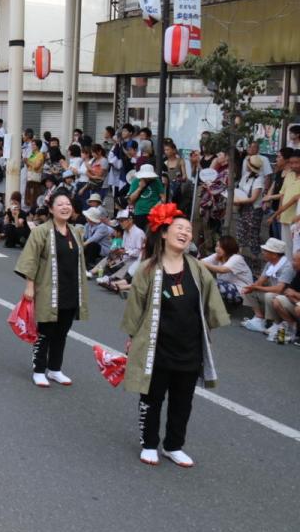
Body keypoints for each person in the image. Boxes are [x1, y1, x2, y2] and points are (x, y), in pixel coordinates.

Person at [119, 203, 229, 468]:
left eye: (189, 230)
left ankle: (173, 445)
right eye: (179, 228)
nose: (185, 233)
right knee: (152, 398)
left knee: (183, 401)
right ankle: (149, 443)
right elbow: (135, 307)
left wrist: (207, 334)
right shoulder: (147, 268)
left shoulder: (198, 268)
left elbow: (209, 305)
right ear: (164, 233)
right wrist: (132, 337)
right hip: (156, 347)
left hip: (189, 347)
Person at [16, 191, 89, 388]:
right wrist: (29, 285)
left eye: (68, 204)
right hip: (48, 288)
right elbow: (30, 259)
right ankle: (39, 369)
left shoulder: (76, 232)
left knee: (62, 331)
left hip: (71, 289)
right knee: (46, 331)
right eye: (60, 204)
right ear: (50, 209)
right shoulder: (41, 232)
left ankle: (55, 369)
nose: (65, 207)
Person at [240, 238, 294, 334]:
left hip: (284, 296)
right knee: (248, 289)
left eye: (266, 251)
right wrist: (251, 287)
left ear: (274, 254)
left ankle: (276, 323)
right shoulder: (270, 264)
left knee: (269, 295)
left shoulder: (287, 267)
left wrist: (257, 287)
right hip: (273, 293)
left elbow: (279, 289)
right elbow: (260, 281)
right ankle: (259, 318)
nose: (263, 253)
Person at [128, 164, 166, 231]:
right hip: (139, 213)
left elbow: (163, 198)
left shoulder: (156, 181)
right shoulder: (135, 181)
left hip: (154, 214)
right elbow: (130, 200)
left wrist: (156, 207)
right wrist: (140, 188)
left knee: (152, 236)